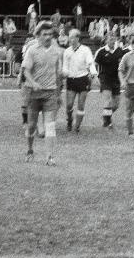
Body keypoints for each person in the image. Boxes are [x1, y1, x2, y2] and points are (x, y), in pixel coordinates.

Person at [21, 21, 63, 165]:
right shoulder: (32, 50)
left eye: (50, 34)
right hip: (34, 94)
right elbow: (26, 71)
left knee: (50, 126)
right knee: (32, 125)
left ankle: (50, 157)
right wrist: (33, 83)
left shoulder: (57, 51)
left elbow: (58, 75)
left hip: (50, 93)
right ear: (38, 35)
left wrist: (58, 94)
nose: (48, 37)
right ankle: (30, 149)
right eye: (45, 34)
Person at [62, 29, 97, 133]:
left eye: (72, 37)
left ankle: (77, 126)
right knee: (69, 104)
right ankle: (69, 119)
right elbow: (65, 66)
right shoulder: (67, 51)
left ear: (77, 38)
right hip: (71, 79)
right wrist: (64, 73)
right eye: (69, 37)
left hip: (83, 79)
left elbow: (90, 63)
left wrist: (94, 75)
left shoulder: (85, 50)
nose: (70, 39)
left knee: (81, 104)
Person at [95, 32, 126, 130]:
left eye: (113, 39)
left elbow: (124, 65)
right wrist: (95, 77)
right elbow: (94, 64)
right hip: (105, 79)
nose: (112, 41)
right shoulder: (101, 52)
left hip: (116, 80)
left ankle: (105, 116)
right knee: (107, 101)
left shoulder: (119, 51)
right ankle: (108, 124)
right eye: (110, 39)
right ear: (106, 40)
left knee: (116, 104)